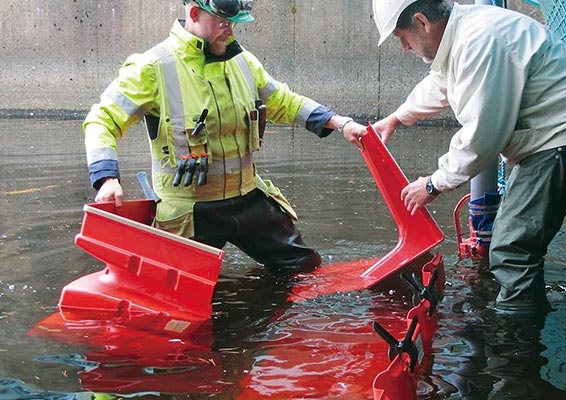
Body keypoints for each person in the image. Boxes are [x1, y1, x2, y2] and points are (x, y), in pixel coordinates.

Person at [368, 0, 566, 313]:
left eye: (403, 37)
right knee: (513, 240)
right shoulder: (464, 35)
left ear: (422, 22)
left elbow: (482, 136)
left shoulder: (479, 41)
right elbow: (442, 82)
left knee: (513, 248)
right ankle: (519, 310)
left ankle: (514, 343)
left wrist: (433, 184)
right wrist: (398, 117)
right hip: (554, 137)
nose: (404, 47)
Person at [83, 0, 365, 272]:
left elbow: (284, 102)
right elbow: (101, 120)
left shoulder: (243, 62)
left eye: (232, 22)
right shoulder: (152, 68)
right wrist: (107, 179)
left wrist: (340, 123)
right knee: (187, 293)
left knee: (304, 268)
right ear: (194, 13)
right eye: (222, 22)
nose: (230, 30)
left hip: (247, 199)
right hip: (190, 212)